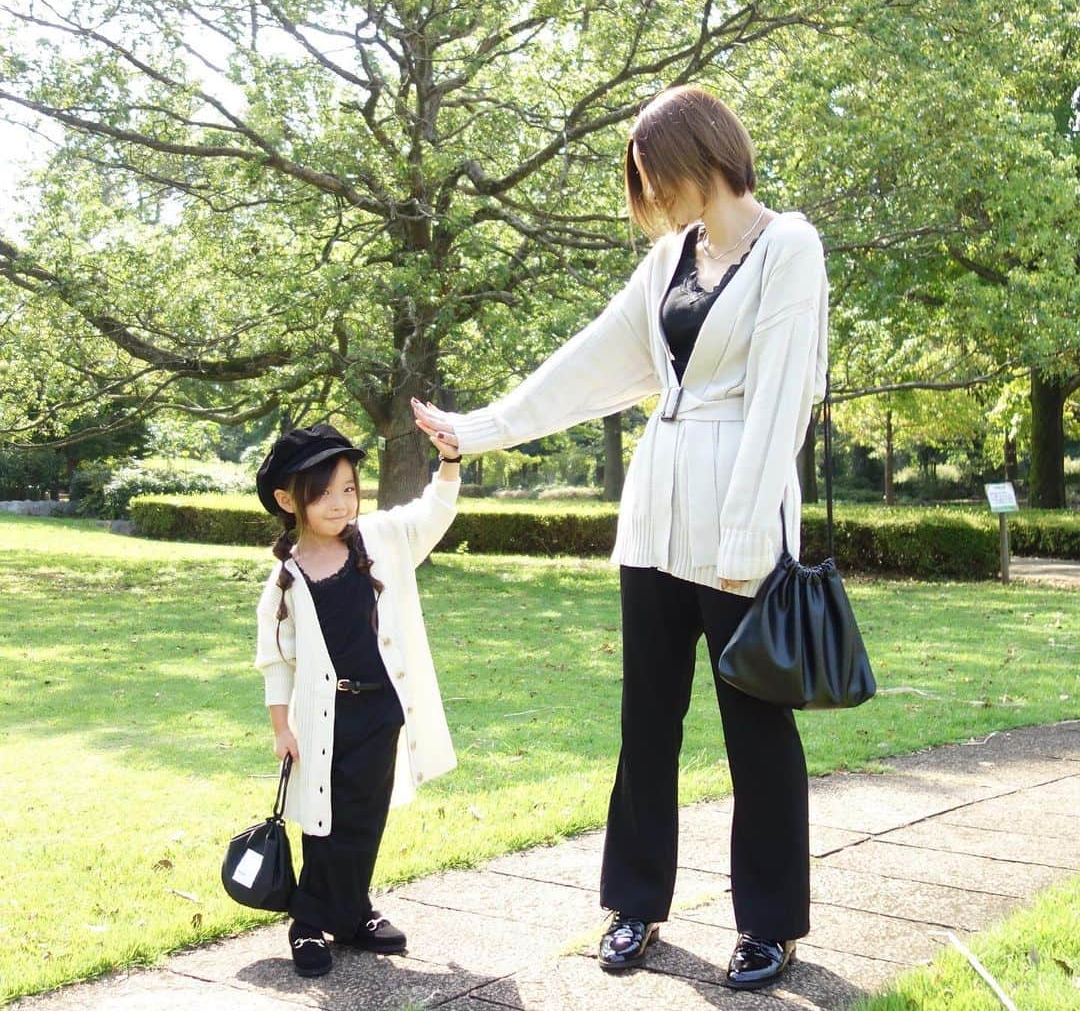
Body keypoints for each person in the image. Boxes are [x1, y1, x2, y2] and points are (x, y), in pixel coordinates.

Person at [412, 85, 828, 990]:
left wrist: (748, 544)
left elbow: (782, 404)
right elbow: (590, 362)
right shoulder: (670, 260)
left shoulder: (788, 248)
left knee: (756, 729)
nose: (652, 202)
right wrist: (476, 428)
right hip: (655, 523)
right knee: (647, 725)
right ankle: (632, 904)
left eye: (653, 179)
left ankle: (769, 924)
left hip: (739, 531)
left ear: (696, 157)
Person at [253, 422, 462, 977]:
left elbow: (431, 514)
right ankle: (307, 923)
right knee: (322, 819)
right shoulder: (286, 577)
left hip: (380, 710)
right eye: (323, 493)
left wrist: (449, 463)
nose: (340, 503)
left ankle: (351, 913)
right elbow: (277, 659)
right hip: (323, 718)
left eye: (348, 488)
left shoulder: (381, 539)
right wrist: (281, 728)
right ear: (286, 499)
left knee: (365, 817)